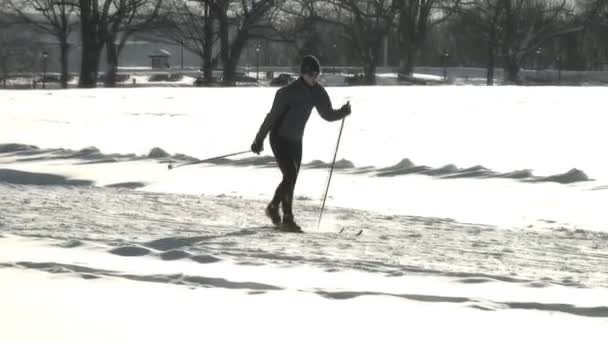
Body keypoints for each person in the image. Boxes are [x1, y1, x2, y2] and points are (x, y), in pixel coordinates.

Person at [251, 55, 351, 231]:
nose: (314, 78)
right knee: (289, 175)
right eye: (311, 75)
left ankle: (274, 207)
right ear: (303, 74)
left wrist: (342, 112)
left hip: (296, 140)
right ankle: (287, 219)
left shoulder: (318, 92)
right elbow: (272, 117)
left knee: (291, 178)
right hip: (279, 138)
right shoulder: (287, 92)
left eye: (316, 75)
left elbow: (327, 114)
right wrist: (259, 139)